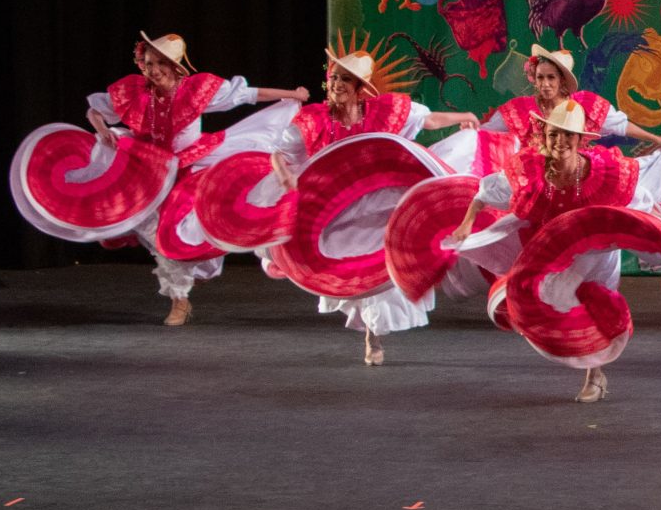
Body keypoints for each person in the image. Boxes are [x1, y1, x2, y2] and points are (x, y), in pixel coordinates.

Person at [198, 52, 478, 365]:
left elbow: (428, 120)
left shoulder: (385, 111)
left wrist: (462, 116)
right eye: (334, 78)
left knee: (382, 263)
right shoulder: (315, 118)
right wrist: (285, 173)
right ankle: (367, 326)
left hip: (378, 200)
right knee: (346, 268)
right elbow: (279, 152)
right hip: (333, 209)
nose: (337, 84)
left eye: (345, 79)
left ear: (360, 88)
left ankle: (374, 335)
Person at [10, 32, 307, 326]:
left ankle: (196, 270)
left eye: (160, 64)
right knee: (160, 238)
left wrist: (292, 95)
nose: (153, 70)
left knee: (199, 228)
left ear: (176, 66)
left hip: (192, 166)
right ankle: (180, 301)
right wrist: (103, 132)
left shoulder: (196, 90)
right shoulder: (136, 93)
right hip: (146, 171)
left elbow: (246, 94)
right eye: (149, 63)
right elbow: (95, 110)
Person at [448, 100, 661, 403]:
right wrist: (465, 224)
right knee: (539, 299)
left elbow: (636, 203)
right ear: (545, 136)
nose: (560, 142)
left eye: (567, 136)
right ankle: (573, 351)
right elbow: (484, 193)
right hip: (554, 251)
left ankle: (594, 374)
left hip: (598, 254)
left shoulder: (605, 173)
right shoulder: (531, 170)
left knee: (596, 306)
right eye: (553, 135)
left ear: (579, 140)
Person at [482, 46, 661, 193]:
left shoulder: (583, 105)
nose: (545, 84)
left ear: (561, 80)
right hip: (536, 181)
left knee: (626, 185)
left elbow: (621, 126)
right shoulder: (520, 109)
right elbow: (485, 133)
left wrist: (659, 140)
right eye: (540, 78)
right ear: (534, 79)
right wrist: (470, 131)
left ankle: (660, 220)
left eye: (551, 77)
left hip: (577, 176)